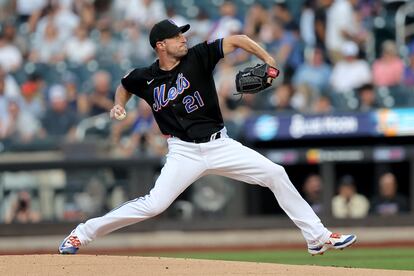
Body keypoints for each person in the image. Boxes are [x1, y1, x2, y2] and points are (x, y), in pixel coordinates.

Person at [59, 19, 356, 255]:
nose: (183, 39)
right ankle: (81, 234)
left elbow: (238, 40)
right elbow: (124, 84)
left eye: (183, 34)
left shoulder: (198, 56)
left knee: (275, 173)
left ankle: (317, 237)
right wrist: (119, 104)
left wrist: (267, 58)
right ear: (161, 45)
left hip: (220, 145)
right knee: (154, 205)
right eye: (177, 37)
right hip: (182, 153)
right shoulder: (145, 76)